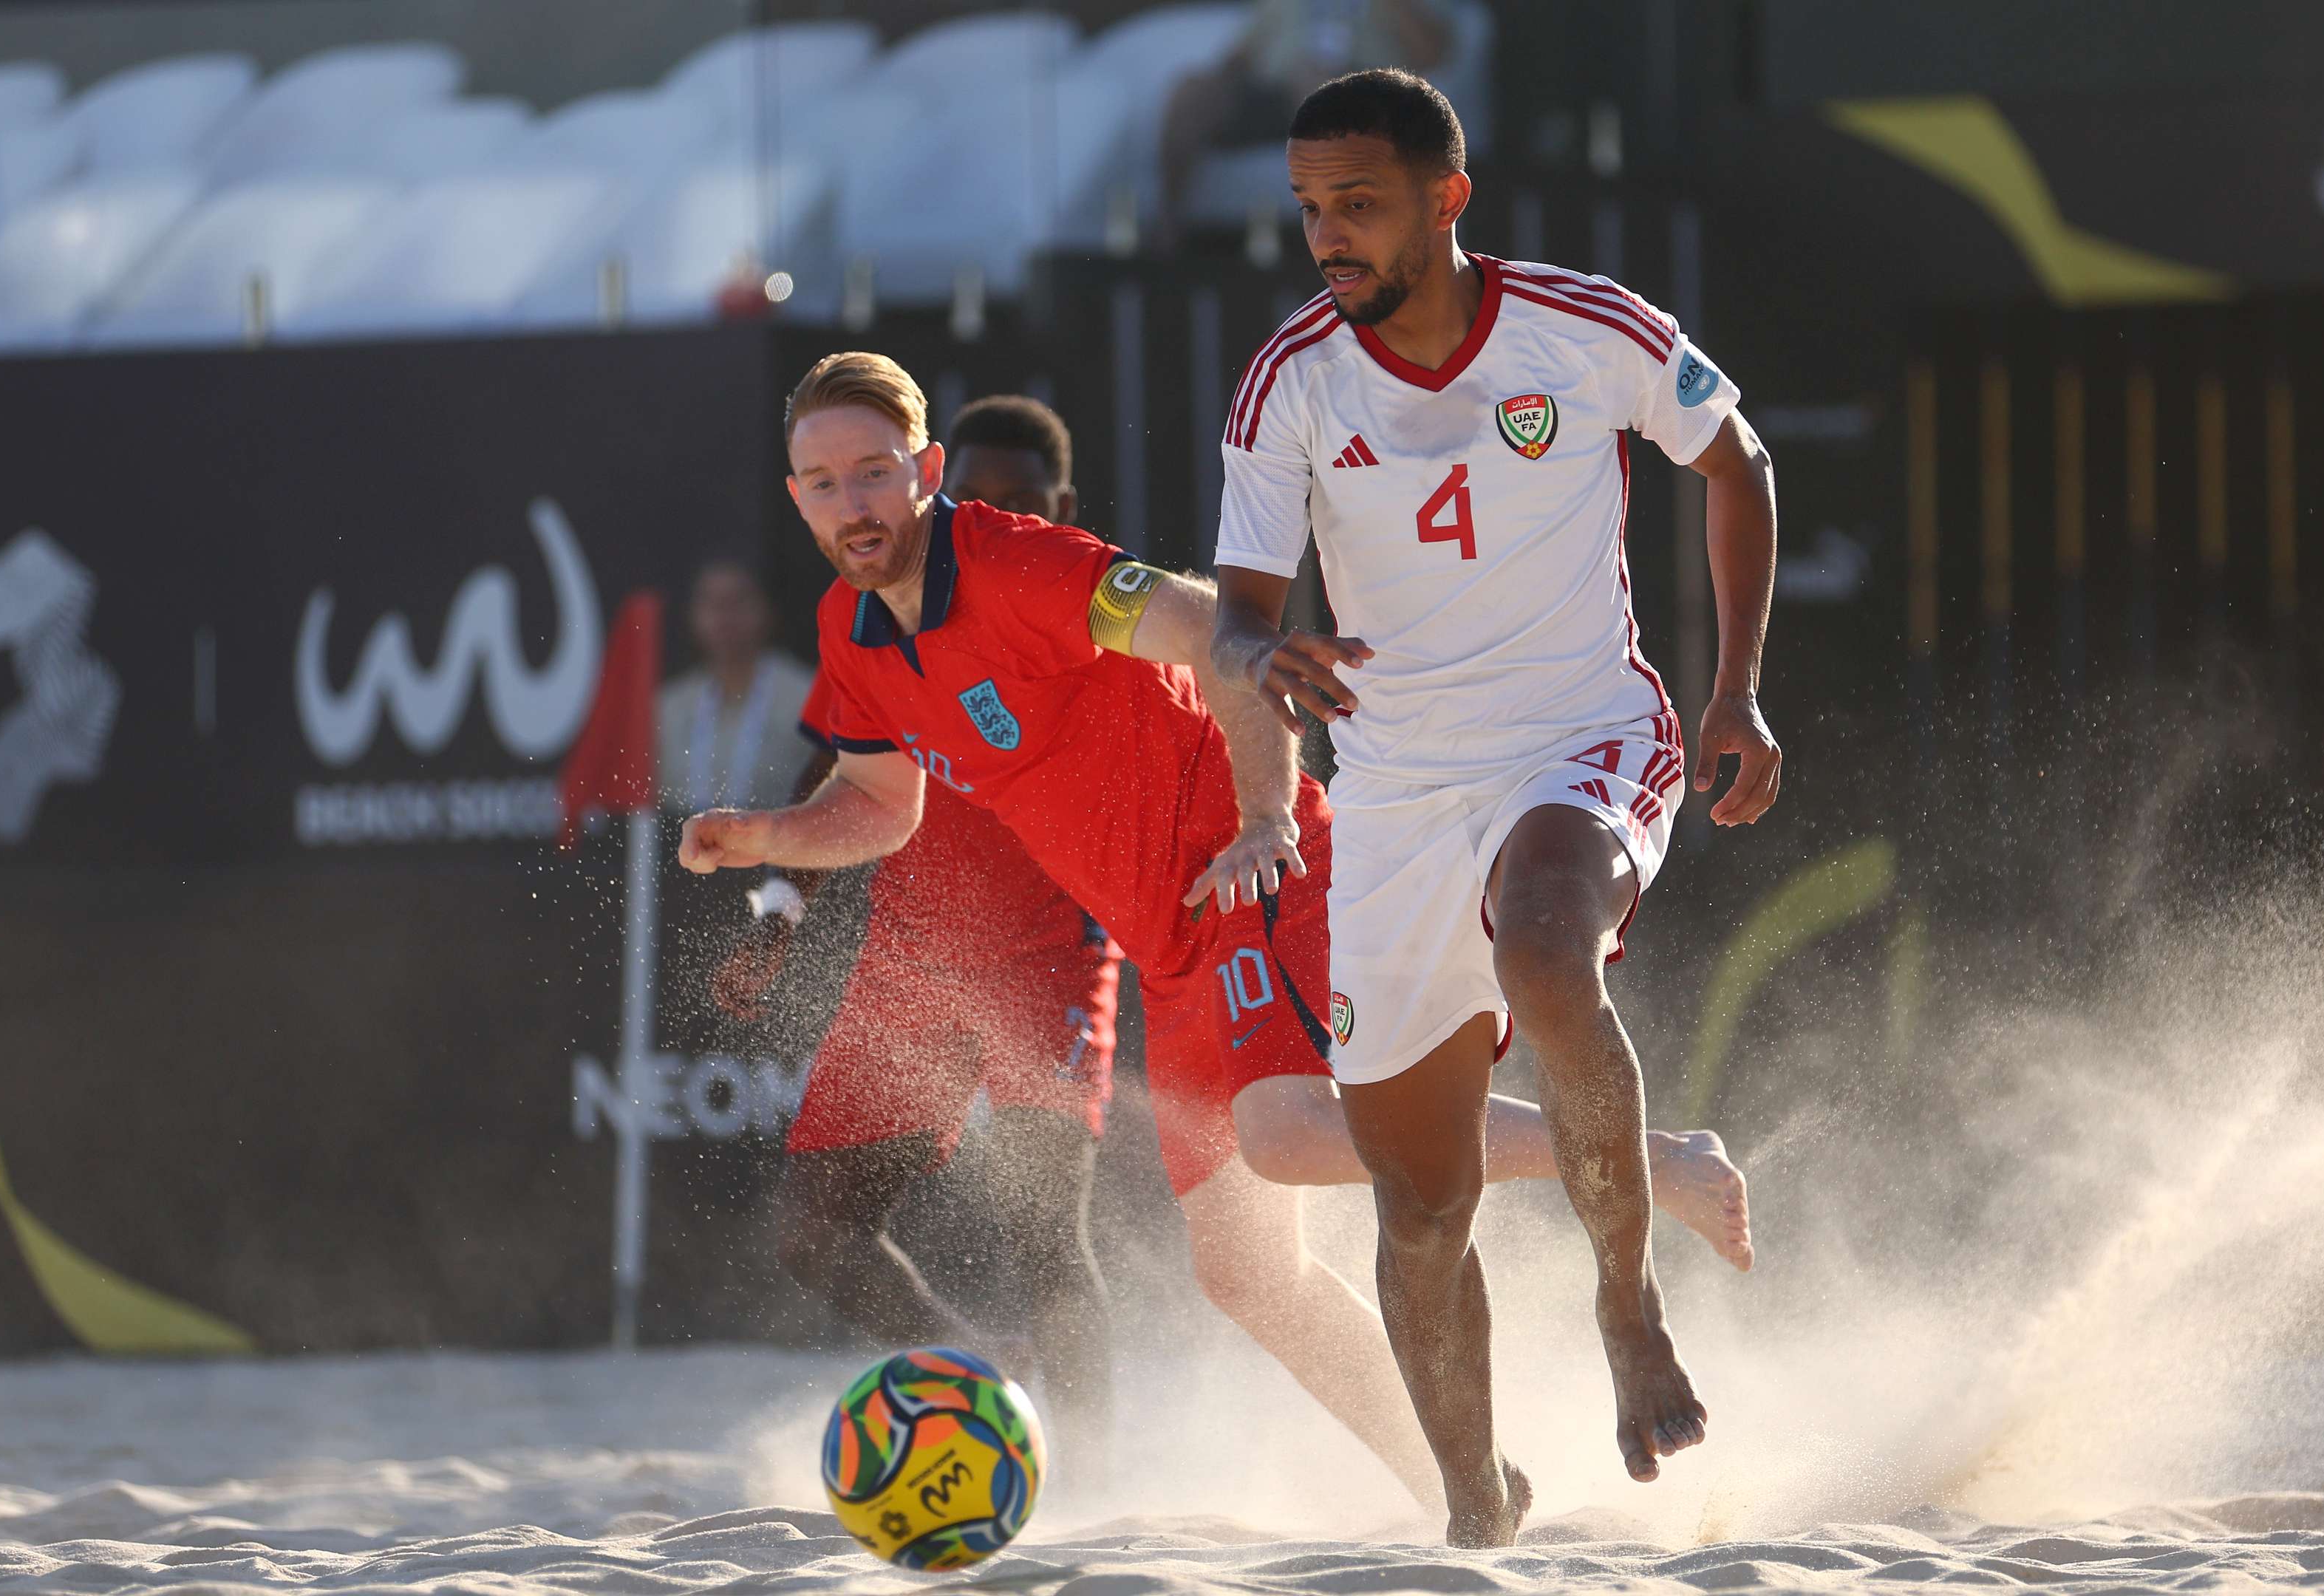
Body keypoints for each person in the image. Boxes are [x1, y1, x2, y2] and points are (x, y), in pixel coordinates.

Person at [680, 351, 1756, 1506]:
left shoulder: (1022, 564)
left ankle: (1657, 1166)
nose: (855, 503)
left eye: (876, 473)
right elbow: (884, 809)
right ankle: (1473, 1478)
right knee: (1250, 1278)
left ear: (925, 470)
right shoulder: (853, 629)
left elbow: (1232, 640)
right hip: (1169, 942)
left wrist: (1260, 818)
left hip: (1253, 869)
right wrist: (766, 840)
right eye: (825, 482)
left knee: (1285, 1132)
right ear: (796, 497)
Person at [1199, 69, 1773, 1543]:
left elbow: (1738, 460)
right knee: (1420, 1203)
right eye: (1308, 208)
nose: (1326, 234)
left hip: (1577, 735)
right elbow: (1241, 619)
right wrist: (1270, 654)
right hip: (1392, 786)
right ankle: (1477, 1510)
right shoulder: (1291, 380)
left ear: (1447, 201)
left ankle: (1628, 1306)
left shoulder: (1583, 330)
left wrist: (1734, 693)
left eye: (1359, 205)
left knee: (1546, 947)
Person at [712, 396, 1124, 1480]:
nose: (985, 519)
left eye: (1014, 503)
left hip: (1052, 951)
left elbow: (1184, 720)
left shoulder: (1078, 598)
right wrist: (777, 912)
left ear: (1060, 511)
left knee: (1049, 1235)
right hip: (914, 955)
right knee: (814, 1233)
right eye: (970, 496)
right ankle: (988, 1380)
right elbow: (835, 778)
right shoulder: (873, 611)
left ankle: (1094, 1480)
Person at [1156, 0, 1452, 245]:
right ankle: (1167, 232)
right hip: (1272, 94)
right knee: (1191, 92)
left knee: (1319, 83)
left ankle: (1334, 236)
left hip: (1361, 96)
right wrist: (1213, 83)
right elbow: (1239, 58)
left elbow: (1434, 52)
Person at [657, 548, 817, 814]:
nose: (725, 616)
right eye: (712, 603)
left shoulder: (807, 697)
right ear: (692, 615)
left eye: (738, 601)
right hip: (683, 850)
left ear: (767, 609)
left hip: (780, 848)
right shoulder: (667, 708)